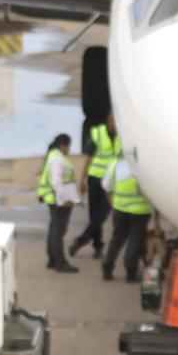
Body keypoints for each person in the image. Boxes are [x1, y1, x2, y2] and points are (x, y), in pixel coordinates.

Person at [69, 111, 120, 260]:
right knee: (94, 215)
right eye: (112, 120)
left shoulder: (122, 137)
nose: (115, 124)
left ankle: (81, 240)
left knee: (102, 214)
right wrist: (83, 179)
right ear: (108, 120)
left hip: (111, 181)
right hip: (95, 179)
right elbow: (89, 158)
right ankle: (98, 246)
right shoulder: (97, 133)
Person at [101, 153, 153, 282]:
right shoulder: (144, 165)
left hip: (119, 209)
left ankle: (107, 268)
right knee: (134, 241)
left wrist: (113, 200)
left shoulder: (115, 163)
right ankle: (131, 273)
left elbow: (106, 185)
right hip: (140, 211)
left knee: (117, 239)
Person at [37, 133, 78, 272]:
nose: (69, 149)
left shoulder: (54, 156)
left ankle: (53, 260)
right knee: (58, 230)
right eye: (68, 146)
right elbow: (56, 181)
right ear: (62, 145)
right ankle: (60, 262)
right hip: (58, 199)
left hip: (53, 197)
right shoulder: (57, 159)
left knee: (54, 229)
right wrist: (64, 198)